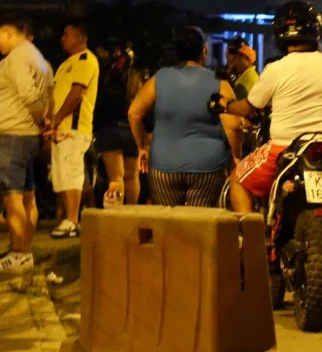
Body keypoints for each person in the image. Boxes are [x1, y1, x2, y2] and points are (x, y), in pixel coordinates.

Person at [217, 0, 322, 321]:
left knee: (237, 181)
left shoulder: (275, 68)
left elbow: (250, 108)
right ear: (315, 32)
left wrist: (224, 106)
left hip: (282, 150)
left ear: (281, 34)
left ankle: (252, 249)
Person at [127, 28, 241, 208]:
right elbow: (233, 125)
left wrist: (142, 147)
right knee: (200, 223)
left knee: (168, 223)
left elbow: (134, 113)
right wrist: (236, 156)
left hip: (163, 165)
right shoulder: (218, 82)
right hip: (207, 165)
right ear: (204, 51)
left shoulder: (159, 79)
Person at [0, 14, 53, 274]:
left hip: (12, 134)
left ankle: (17, 254)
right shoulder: (40, 59)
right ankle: (25, 252)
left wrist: (39, 120)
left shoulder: (17, 57)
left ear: (9, 33)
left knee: (13, 199)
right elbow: (49, 94)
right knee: (29, 196)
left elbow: (31, 96)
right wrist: (45, 123)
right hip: (29, 137)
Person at [47, 19, 99, 240]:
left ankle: (73, 220)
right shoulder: (65, 64)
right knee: (60, 176)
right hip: (59, 129)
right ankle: (67, 220)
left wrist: (57, 118)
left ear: (80, 38)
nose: (62, 38)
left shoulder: (86, 59)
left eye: (66, 34)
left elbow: (76, 94)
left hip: (74, 128)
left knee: (71, 174)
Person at [93, 42, 143, 206]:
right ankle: (132, 210)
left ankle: (117, 212)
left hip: (110, 131)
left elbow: (98, 105)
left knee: (116, 176)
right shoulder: (137, 79)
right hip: (132, 131)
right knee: (132, 176)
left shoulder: (106, 78)